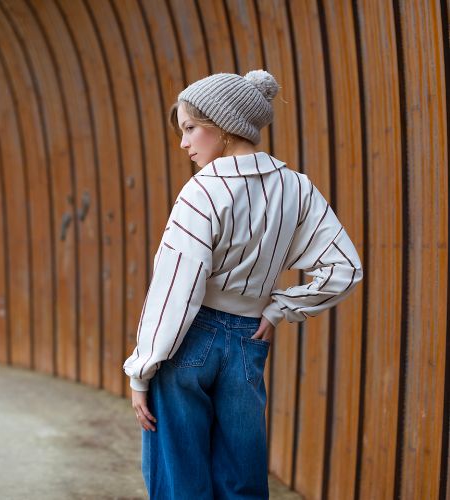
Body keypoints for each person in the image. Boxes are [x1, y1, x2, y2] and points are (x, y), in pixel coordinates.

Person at [123, 70, 362, 499]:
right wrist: (278, 308)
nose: (184, 143)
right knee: (243, 479)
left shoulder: (203, 191)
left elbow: (176, 288)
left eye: (190, 128)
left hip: (186, 343)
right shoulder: (298, 188)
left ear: (225, 126)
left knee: (179, 476)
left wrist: (142, 367)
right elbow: (344, 268)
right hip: (247, 340)